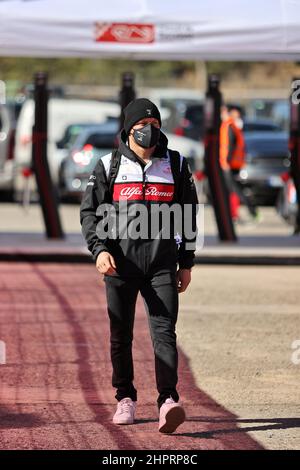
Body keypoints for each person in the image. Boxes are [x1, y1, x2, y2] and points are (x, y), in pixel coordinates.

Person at [80, 98, 198, 434]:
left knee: (164, 333)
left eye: (156, 126)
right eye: (142, 126)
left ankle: (167, 401)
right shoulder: (108, 165)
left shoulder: (176, 164)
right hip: (120, 265)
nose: (149, 131)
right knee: (121, 335)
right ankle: (125, 398)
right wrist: (99, 250)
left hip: (162, 265)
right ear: (129, 129)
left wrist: (186, 262)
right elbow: (90, 213)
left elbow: (189, 214)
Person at [220, 105, 258, 222]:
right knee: (233, 190)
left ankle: (251, 211)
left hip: (229, 163)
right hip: (234, 163)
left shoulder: (228, 125)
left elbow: (229, 145)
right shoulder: (232, 126)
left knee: (235, 189)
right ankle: (234, 214)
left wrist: (226, 161)